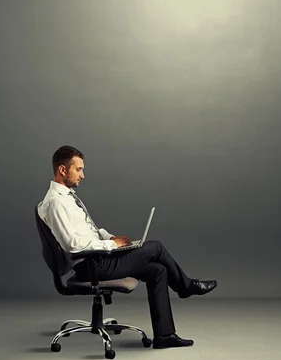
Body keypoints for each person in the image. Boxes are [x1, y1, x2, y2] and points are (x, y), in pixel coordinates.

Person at [37, 145, 217, 349]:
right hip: (91, 265)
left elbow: (86, 232)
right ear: (62, 170)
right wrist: (111, 245)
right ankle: (186, 287)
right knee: (155, 247)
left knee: (157, 270)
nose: (83, 175)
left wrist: (110, 237)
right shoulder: (55, 203)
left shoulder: (67, 197)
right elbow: (72, 245)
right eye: (78, 169)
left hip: (99, 257)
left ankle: (165, 336)